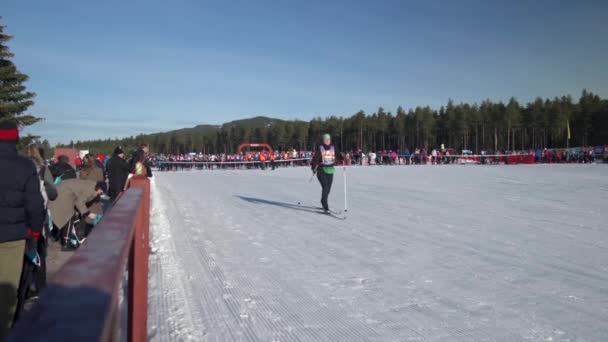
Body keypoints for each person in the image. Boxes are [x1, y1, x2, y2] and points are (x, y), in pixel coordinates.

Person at [0, 121, 45, 339]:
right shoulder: (26, 166)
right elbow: (35, 206)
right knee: (6, 294)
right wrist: (35, 233)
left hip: (13, 235)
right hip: (13, 239)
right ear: (15, 139)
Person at [311, 133, 342, 213]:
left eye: (329, 139)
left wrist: (342, 157)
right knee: (325, 187)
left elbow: (338, 155)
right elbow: (315, 159)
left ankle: (323, 200)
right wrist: (314, 167)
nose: (327, 141)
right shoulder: (320, 148)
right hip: (321, 170)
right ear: (323, 140)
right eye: (326, 139)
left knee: (328, 189)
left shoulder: (333, 147)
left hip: (330, 170)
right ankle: (325, 205)